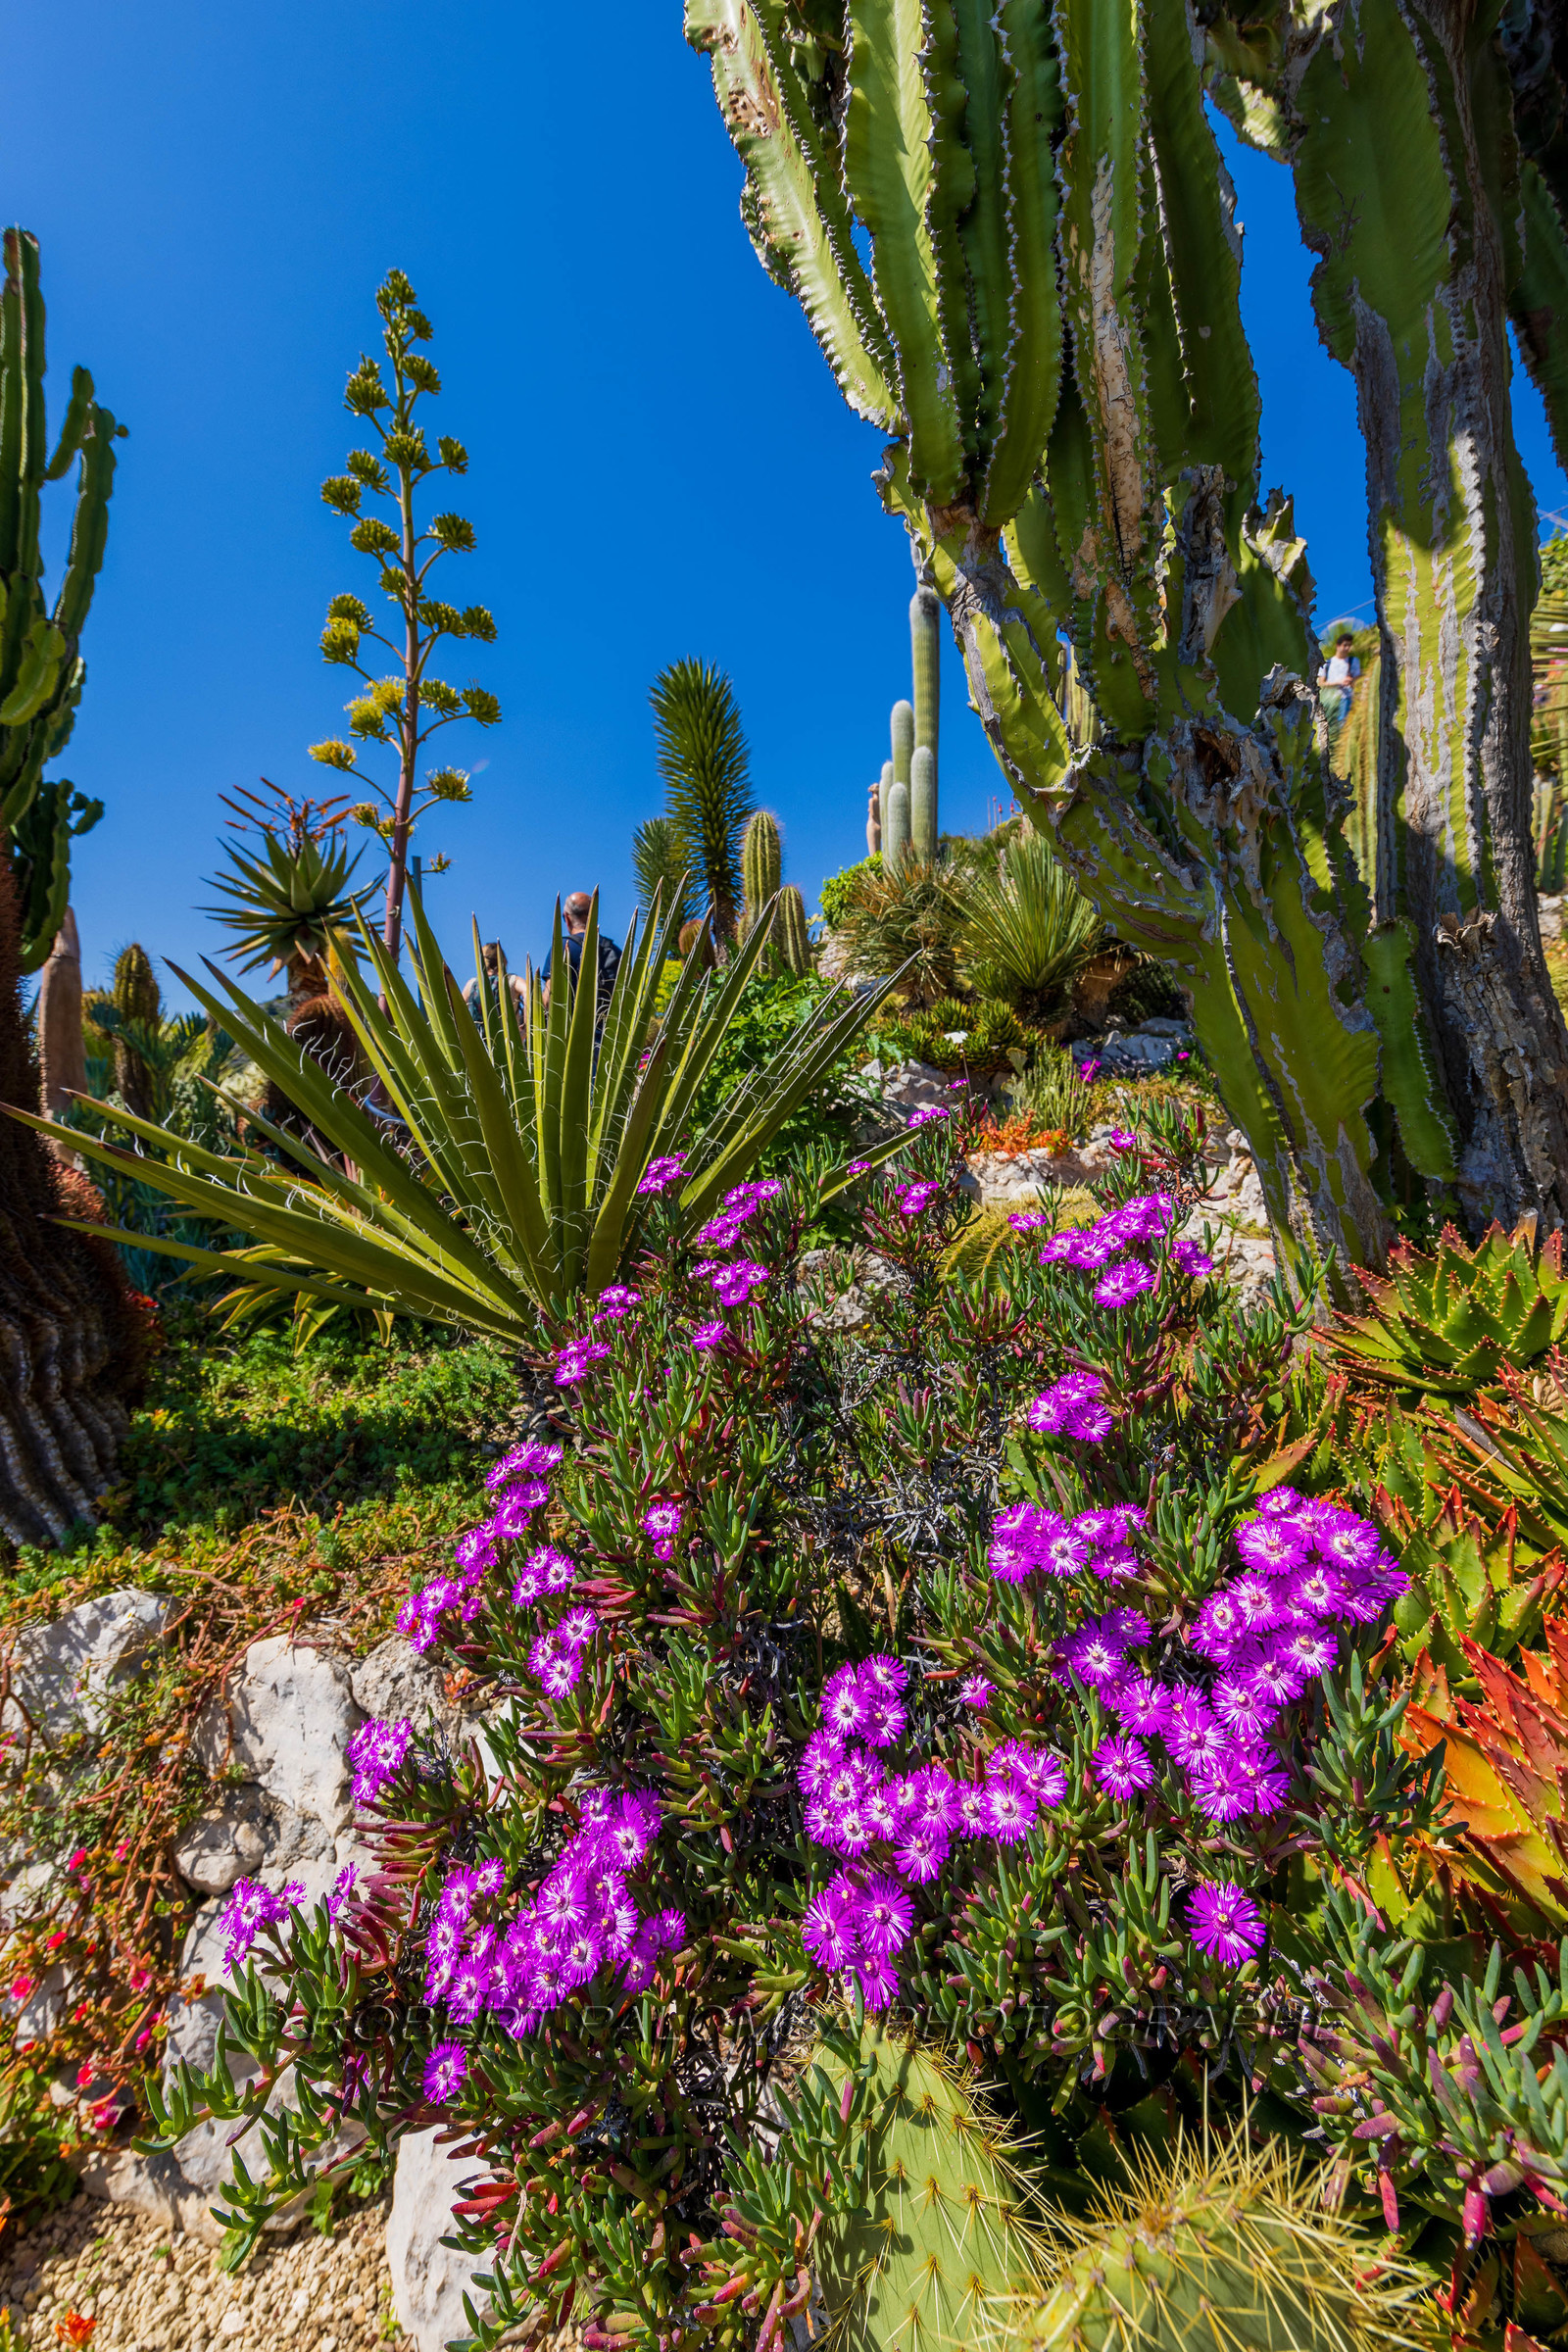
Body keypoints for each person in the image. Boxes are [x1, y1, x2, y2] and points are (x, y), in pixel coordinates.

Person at [542, 892, 621, 1018]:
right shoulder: (615, 951)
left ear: (567, 918)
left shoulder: (562, 947)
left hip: (569, 1028)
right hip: (611, 1029)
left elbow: (548, 999)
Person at [462, 940, 525, 1023]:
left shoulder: (471, 984)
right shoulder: (511, 980)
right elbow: (528, 991)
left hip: (477, 1031)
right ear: (504, 960)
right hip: (508, 1031)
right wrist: (526, 1024)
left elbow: (458, 1007)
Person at [1319, 630, 1360, 731]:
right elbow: (1321, 683)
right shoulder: (1327, 663)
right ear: (1338, 646)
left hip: (1346, 699)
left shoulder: (1353, 661)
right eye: (1345, 645)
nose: (1347, 648)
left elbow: (1357, 680)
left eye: (1349, 645)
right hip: (1329, 700)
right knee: (1328, 728)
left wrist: (1351, 681)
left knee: (1343, 728)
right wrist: (1339, 682)